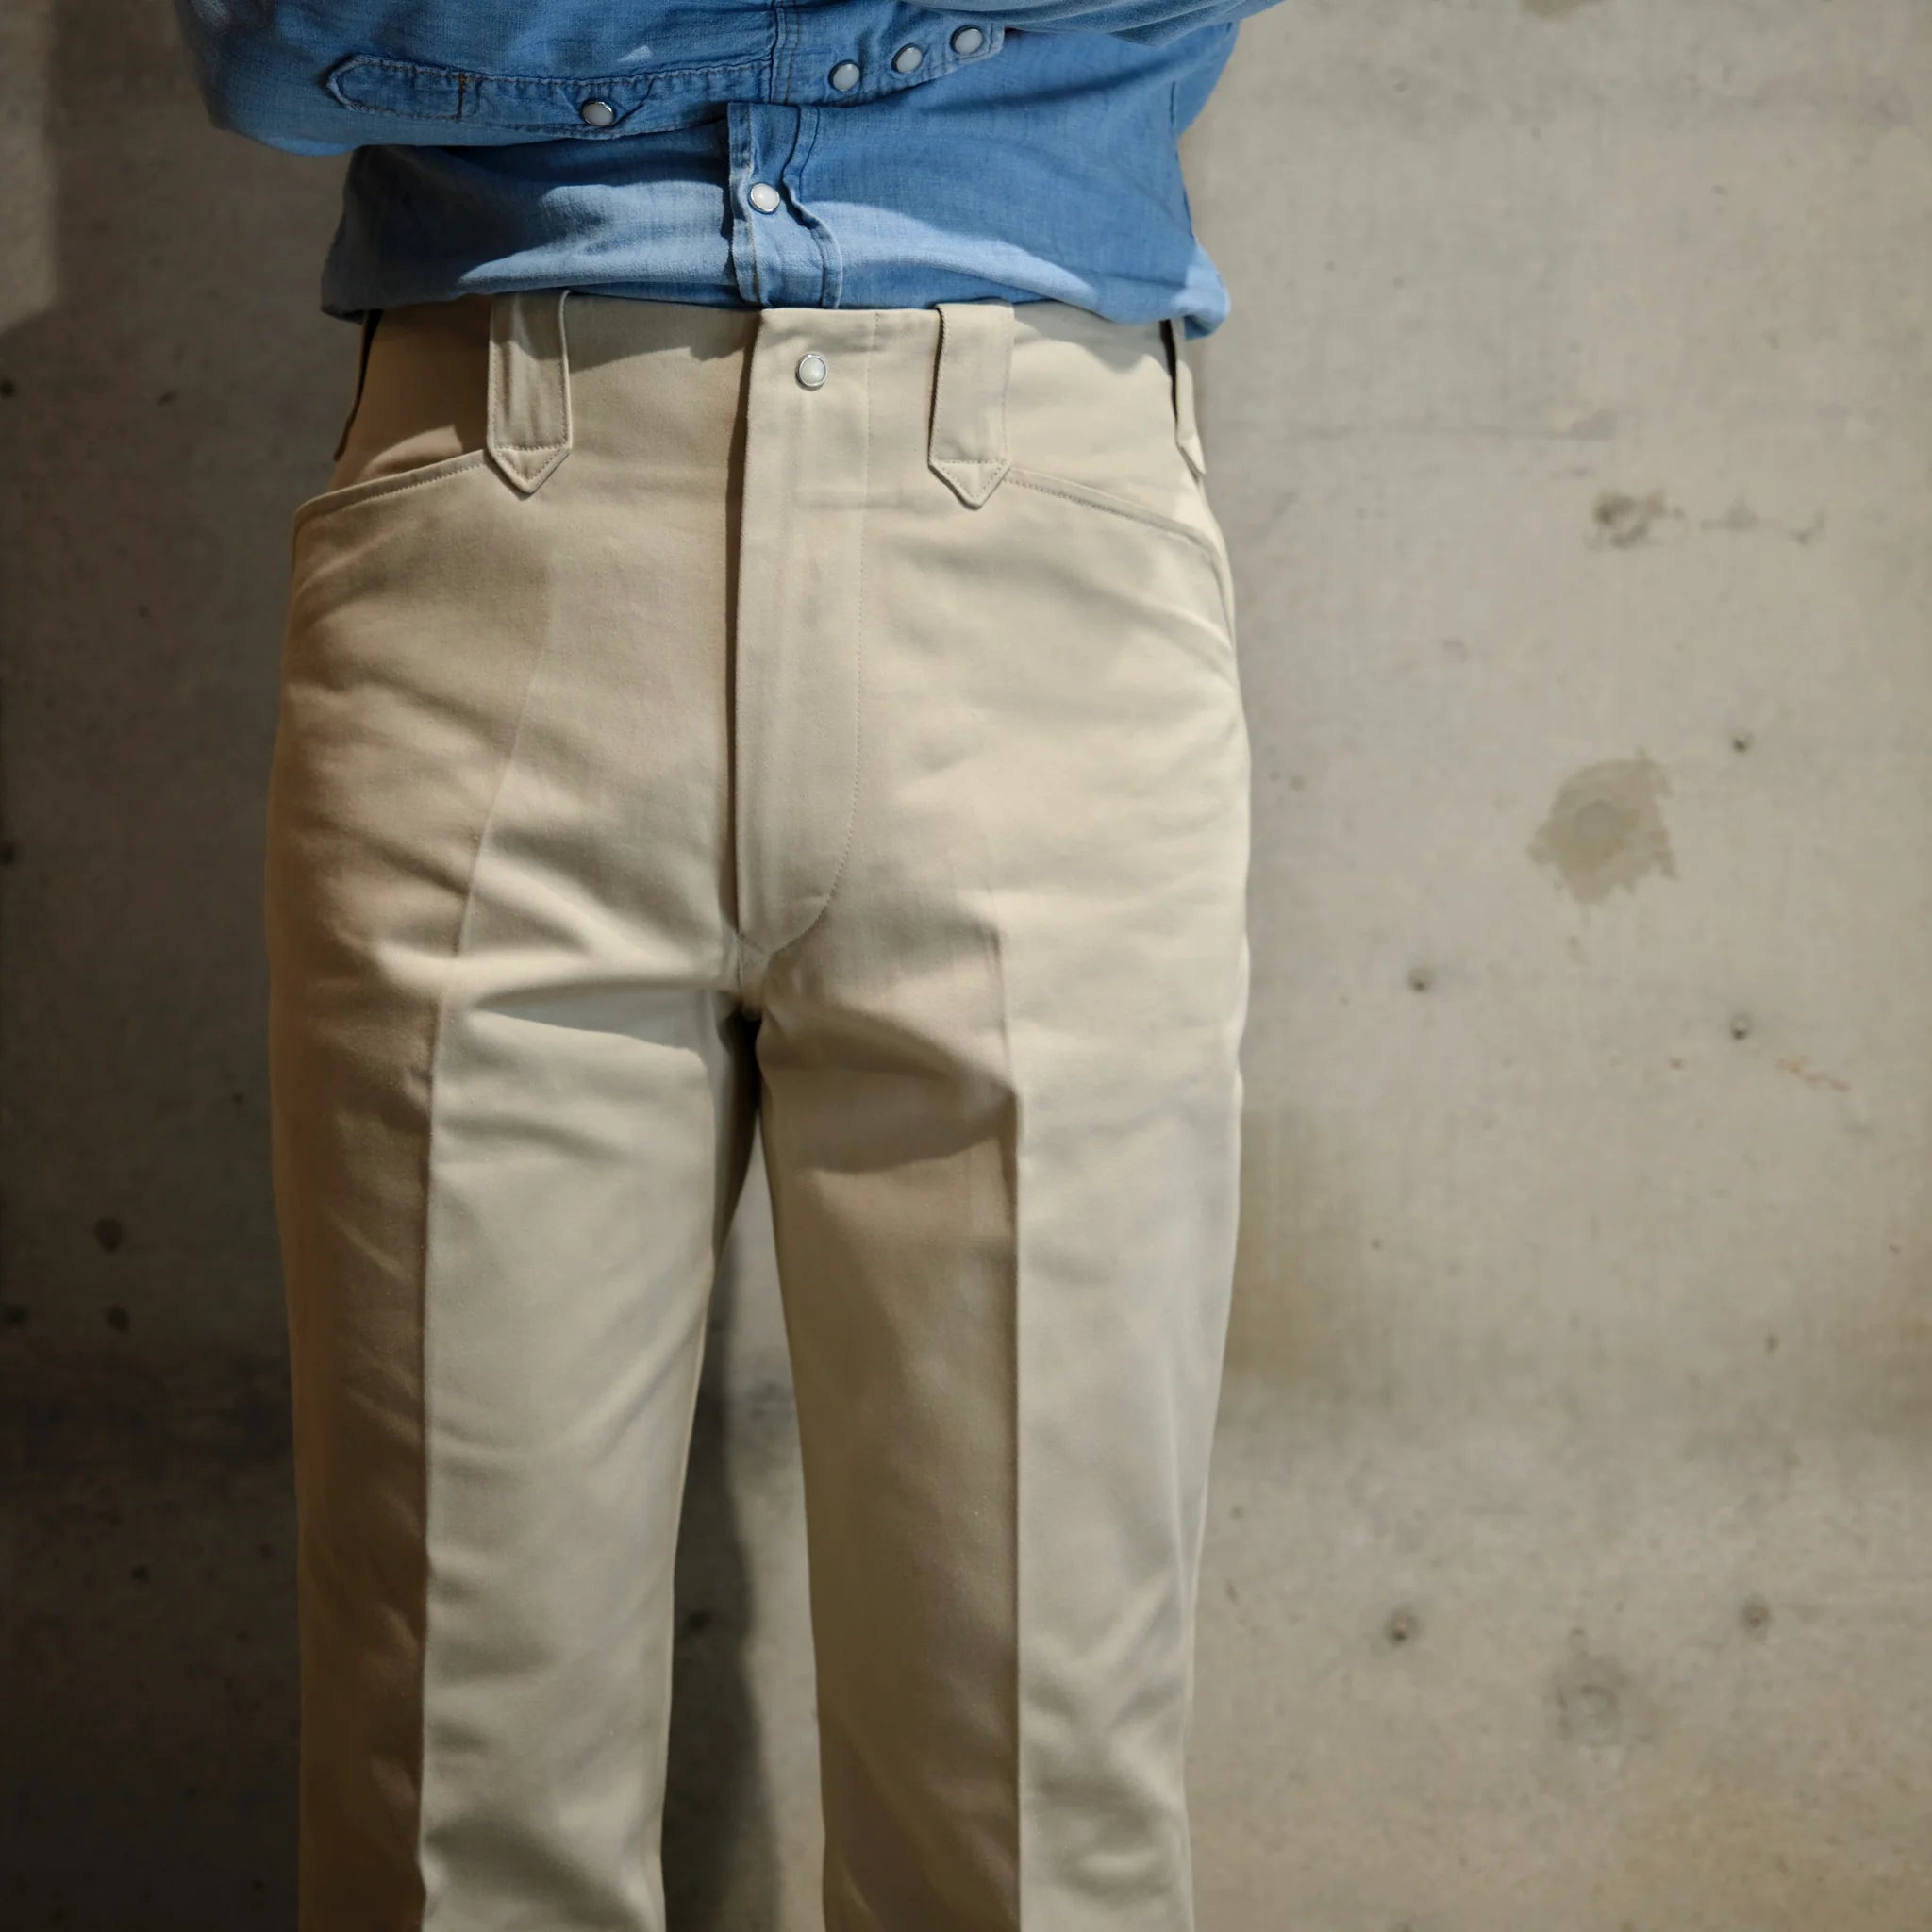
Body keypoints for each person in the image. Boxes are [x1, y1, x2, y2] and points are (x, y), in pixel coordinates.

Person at [171, 0, 1276, 1925]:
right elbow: (285, 40)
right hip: (497, 536)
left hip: (1036, 555)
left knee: (1038, 1795)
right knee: (459, 1779)